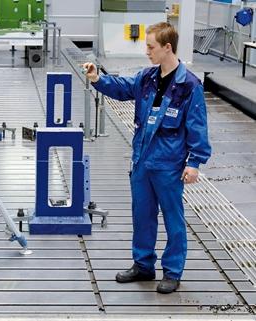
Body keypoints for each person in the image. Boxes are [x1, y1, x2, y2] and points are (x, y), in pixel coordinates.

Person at [83, 22, 211, 294]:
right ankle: (143, 265)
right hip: (142, 160)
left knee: (173, 219)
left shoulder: (189, 86)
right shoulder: (147, 78)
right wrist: (97, 79)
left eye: (151, 47)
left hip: (169, 164)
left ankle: (173, 271)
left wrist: (194, 163)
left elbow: (197, 127)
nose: (147, 52)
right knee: (142, 215)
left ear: (167, 47)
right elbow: (122, 87)